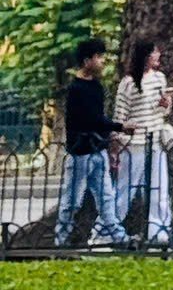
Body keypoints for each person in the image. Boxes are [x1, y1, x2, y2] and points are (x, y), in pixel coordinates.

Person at [55, 37, 127, 248]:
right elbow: (91, 119)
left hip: (98, 149)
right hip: (80, 151)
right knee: (72, 200)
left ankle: (117, 235)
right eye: (98, 57)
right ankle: (61, 239)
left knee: (106, 196)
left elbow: (98, 117)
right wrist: (119, 127)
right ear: (87, 61)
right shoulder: (76, 89)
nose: (102, 61)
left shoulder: (96, 87)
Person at [115, 36, 173, 246]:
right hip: (135, 143)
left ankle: (158, 231)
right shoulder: (129, 83)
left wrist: (165, 104)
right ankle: (108, 228)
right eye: (154, 52)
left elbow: (163, 111)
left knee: (159, 188)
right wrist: (119, 141)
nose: (158, 56)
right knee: (126, 188)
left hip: (156, 139)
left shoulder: (160, 78)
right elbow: (120, 114)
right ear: (146, 55)